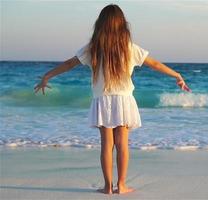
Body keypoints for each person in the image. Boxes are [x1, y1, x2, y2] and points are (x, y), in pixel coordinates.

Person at [34, 4, 191, 195]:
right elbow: (155, 64)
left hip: (103, 101)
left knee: (106, 145)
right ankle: (121, 185)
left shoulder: (93, 48)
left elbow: (69, 64)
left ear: (100, 25)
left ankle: (108, 187)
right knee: (122, 144)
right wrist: (177, 75)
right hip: (124, 101)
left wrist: (47, 76)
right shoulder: (129, 48)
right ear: (122, 25)